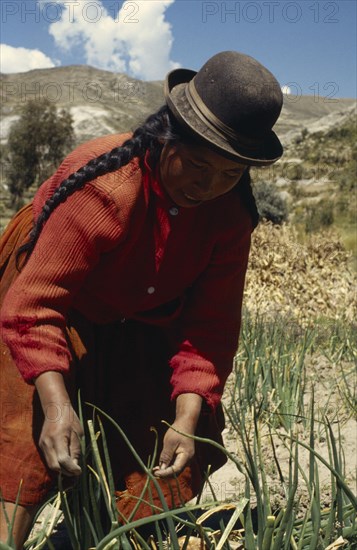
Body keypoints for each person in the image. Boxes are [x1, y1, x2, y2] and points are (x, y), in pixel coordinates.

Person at [0, 51, 283, 547]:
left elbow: (209, 331)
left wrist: (188, 416)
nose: (208, 185)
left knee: (155, 432)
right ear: (166, 137)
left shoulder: (228, 217)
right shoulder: (105, 187)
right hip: (50, 297)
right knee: (25, 422)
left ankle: (113, 533)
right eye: (197, 165)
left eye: (228, 174)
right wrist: (58, 402)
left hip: (145, 313)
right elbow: (36, 307)